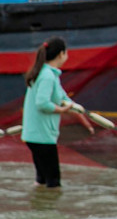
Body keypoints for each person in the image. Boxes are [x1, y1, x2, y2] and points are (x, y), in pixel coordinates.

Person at [21, 37, 92, 188]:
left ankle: (37, 202)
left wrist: (84, 120)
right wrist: (61, 110)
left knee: (41, 180)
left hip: (34, 136)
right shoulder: (47, 76)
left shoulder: (46, 73)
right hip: (42, 136)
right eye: (66, 53)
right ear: (61, 54)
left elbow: (65, 99)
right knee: (54, 184)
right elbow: (42, 103)